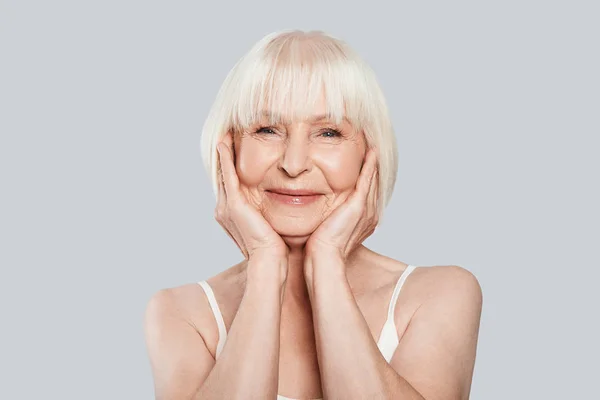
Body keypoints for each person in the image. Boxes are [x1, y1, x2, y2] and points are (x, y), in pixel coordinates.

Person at [144, 29, 483, 400]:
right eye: (267, 129)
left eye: (328, 133)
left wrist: (326, 263)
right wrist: (264, 264)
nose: (293, 164)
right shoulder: (181, 313)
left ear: (369, 155)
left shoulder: (439, 295)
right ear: (229, 149)